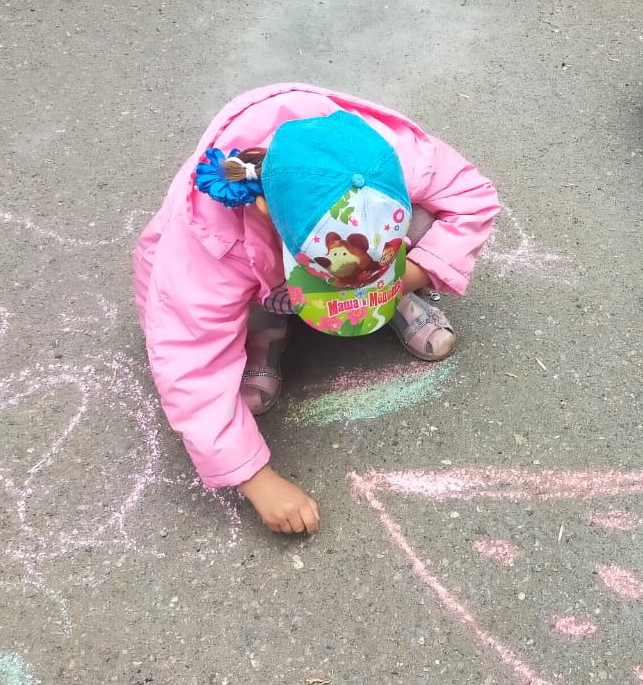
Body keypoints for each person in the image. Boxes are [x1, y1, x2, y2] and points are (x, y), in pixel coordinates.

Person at [134, 84, 500, 534]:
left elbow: (472, 197)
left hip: (351, 251)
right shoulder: (213, 240)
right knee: (235, 293)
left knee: (424, 224)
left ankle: (391, 289)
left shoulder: (389, 154)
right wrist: (255, 479)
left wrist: (409, 275)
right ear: (265, 210)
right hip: (255, 268)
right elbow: (187, 354)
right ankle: (267, 323)